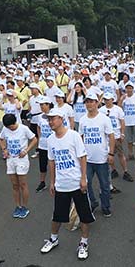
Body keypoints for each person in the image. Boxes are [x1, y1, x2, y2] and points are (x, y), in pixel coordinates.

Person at [40, 109, 94, 260]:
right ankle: (53, 239)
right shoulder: (50, 139)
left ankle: (83, 243)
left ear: (61, 119)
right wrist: (52, 181)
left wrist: (83, 179)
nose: (50, 122)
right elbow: (52, 161)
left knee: (84, 215)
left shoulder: (73, 136)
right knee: (57, 215)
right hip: (61, 185)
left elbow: (82, 157)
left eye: (53, 119)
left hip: (77, 183)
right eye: (48, 119)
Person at [78, 92, 115, 217]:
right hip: (87, 159)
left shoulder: (104, 119)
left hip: (102, 159)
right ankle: (93, 202)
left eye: (91, 101)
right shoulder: (82, 120)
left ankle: (105, 206)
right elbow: (81, 137)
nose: (89, 104)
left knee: (104, 185)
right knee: (86, 183)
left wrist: (111, 153)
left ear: (97, 103)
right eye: (87, 102)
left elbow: (111, 136)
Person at [0, 114, 37, 218]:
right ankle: (18, 206)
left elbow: (34, 139)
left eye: (11, 126)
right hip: (10, 159)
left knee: (22, 184)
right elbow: (0, 138)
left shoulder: (24, 129)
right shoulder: (5, 129)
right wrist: (4, 149)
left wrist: (26, 151)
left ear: (15, 122)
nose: (10, 129)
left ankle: (25, 207)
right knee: (15, 185)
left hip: (21, 160)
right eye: (8, 127)